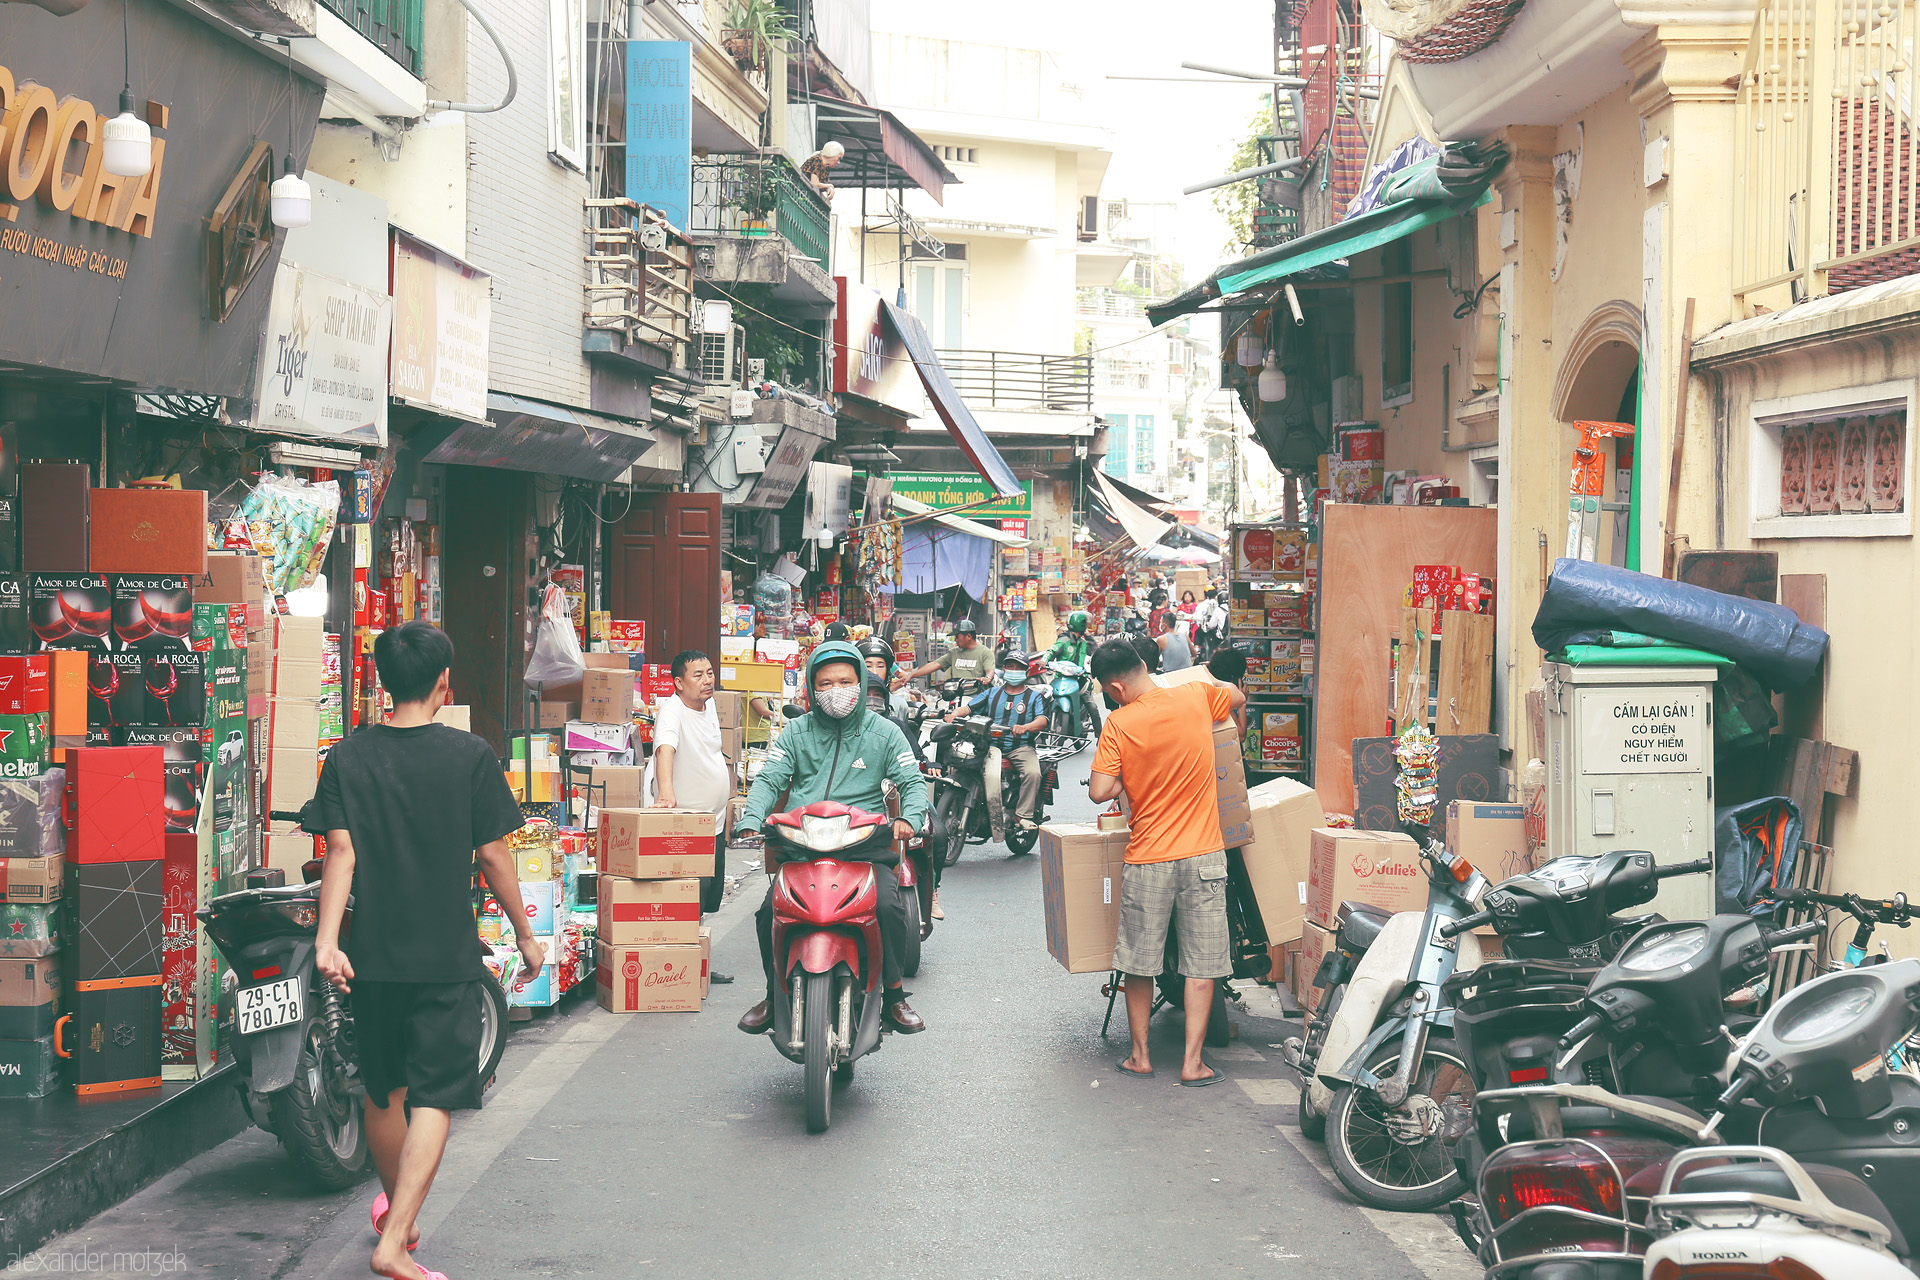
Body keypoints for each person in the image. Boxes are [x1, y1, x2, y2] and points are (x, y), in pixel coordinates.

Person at [311, 622, 537, 1280]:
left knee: (383, 1091)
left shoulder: (347, 757)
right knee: (435, 1095)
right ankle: (396, 1239)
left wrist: (329, 941)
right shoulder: (470, 757)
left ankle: (394, 1217)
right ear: (444, 683)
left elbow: (341, 854)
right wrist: (524, 931)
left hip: (373, 956)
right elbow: (494, 854)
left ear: (382, 682)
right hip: (444, 955)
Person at [735, 643, 928, 1035]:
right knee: (767, 914)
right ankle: (775, 995)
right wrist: (751, 818)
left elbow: (912, 781)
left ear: (860, 683)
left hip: (866, 843)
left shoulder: (885, 733)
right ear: (811, 686)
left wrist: (910, 817)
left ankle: (893, 995)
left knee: (890, 909)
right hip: (802, 842)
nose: (835, 689)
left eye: (845, 681)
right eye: (825, 683)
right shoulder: (796, 732)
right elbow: (771, 778)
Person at [1087, 639, 1246, 1086]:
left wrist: (1126, 776)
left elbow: (1100, 791)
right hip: (1204, 856)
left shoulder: (1120, 723)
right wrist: (1200, 680)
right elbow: (1236, 695)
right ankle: (1193, 1064)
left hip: (1149, 857)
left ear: (1116, 687)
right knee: (1201, 962)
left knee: (1140, 961)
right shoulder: (1196, 694)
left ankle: (1141, 1056)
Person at [649, 649, 736, 984]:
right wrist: (666, 792)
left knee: (703, 897)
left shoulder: (708, 704)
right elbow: (665, 750)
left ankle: (697, 960)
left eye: (710, 673)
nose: (707, 680)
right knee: (685, 894)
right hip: (685, 825)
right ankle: (681, 966)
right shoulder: (672, 712)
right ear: (678, 683)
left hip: (712, 821)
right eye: (697, 675)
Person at [948, 649, 1049, 843]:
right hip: (991, 745)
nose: (1013, 670)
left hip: (1021, 747)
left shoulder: (1035, 697)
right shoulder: (992, 693)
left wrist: (1025, 727)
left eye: (1018, 667)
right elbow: (970, 707)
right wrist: (954, 714)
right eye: (1010, 666)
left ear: (1027, 672)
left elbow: (1042, 720)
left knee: (1033, 773)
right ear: (1004, 669)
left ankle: (1023, 815)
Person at [897, 617, 995, 688]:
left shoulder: (984, 652)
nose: (955, 640)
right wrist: (911, 675)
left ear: (968, 636)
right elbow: (934, 664)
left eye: (957, 637)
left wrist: (987, 678)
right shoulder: (954, 653)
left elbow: (990, 670)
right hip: (956, 694)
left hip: (975, 695)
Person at [1045, 610, 1100, 734]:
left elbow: (1095, 651)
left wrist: (1088, 636)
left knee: (1092, 706)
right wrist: (1044, 662)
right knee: (1044, 699)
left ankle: (1099, 735)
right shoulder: (1063, 640)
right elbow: (1051, 651)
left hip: (1080, 679)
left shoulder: (1084, 643)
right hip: (1061, 679)